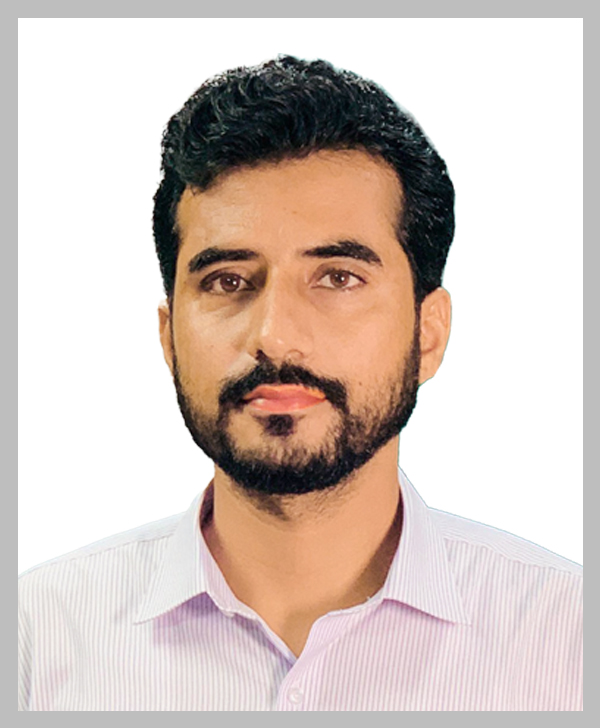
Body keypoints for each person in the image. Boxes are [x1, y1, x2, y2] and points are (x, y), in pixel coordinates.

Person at [18, 56, 582, 712]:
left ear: (428, 334)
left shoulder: (570, 643)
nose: (276, 337)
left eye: (338, 277)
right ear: (169, 338)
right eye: (228, 280)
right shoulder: (32, 642)